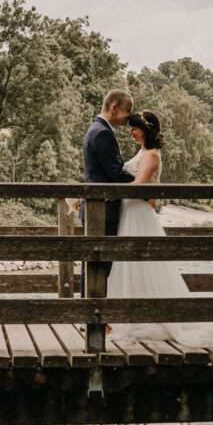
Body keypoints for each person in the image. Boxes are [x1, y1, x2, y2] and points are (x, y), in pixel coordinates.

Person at [107, 110, 213, 347]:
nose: (131, 132)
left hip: (139, 214)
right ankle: (129, 312)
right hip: (131, 212)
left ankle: (146, 315)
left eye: (135, 128)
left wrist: (107, 193)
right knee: (129, 265)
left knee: (145, 265)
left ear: (145, 130)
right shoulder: (142, 152)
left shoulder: (152, 156)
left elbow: (138, 187)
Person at [80, 89, 135, 296]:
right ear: (114, 108)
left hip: (98, 207)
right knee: (101, 264)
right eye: (127, 112)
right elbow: (114, 172)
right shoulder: (103, 133)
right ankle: (94, 310)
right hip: (103, 209)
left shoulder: (95, 128)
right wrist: (139, 182)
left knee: (94, 263)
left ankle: (90, 308)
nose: (128, 119)